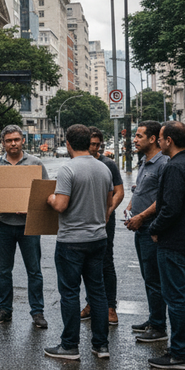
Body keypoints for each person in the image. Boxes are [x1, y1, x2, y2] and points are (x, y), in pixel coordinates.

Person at [44, 124, 113, 360]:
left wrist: (50, 198)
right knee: (98, 293)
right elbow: (108, 204)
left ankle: (69, 346)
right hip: (98, 239)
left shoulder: (68, 169)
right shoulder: (104, 168)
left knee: (70, 293)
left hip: (71, 240)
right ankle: (101, 345)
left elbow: (61, 205)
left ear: (68, 144)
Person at [0, 125, 49, 329]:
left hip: (29, 226)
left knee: (34, 271)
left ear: (23, 140)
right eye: (9, 140)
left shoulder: (35, 163)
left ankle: (37, 312)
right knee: (4, 271)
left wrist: (30, 208)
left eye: (16, 139)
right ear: (3, 143)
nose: (13, 144)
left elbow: (46, 193)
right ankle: (4, 310)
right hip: (3, 224)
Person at [147, 121, 185, 370]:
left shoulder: (174, 167)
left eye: (161, 138)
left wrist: (154, 228)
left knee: (175, 297)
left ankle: (180, 353)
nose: (159, 142)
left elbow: (170, 208)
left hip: (174, 241)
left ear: (169, 140)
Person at [125, 121, 169, 343]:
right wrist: (131, 206)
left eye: (139, 136)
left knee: (154, 279)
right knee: (148, 276)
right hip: (140, 227)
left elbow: (163, 199)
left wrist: (142, 216)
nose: (135, 139)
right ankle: (154, 319)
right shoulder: (144, 161)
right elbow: (141, 190)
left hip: (152, 228)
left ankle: (159, 327)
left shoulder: (163, 163)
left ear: (153, 139)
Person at [80, 127, 124, 325]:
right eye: (92, 144)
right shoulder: (78, 163)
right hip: (84, 221)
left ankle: (110, 307)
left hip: (105, 221)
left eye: (98, 145)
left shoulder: (108, 164)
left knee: (106, 262)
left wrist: (108, 211)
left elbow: (119, 192)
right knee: (87, 264)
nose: (95, 148)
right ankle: (91, 303)